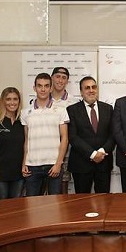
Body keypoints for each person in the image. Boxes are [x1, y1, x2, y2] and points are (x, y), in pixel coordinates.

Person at [21, 73, 69, 196]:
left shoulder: (61, 111)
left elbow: (64, 138)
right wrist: (24, 163)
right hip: (32, 166)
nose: (43, 89)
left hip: (53, 165)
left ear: (51, 88)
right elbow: (27, 140)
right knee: (32, 206)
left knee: (55, 206)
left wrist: (58, 163)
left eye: (46, 86)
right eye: (39, 86)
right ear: (34, 88)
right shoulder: (25, 112)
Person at [67, 77, 115, 193]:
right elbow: (73, 137)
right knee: (82, 203)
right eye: (87, 88)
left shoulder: (108, 108)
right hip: (81, 164)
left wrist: (102, 151)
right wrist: (93, 154)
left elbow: (113, 134)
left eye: (94, 87)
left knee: (104, 202)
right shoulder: (71, 110)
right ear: (81, 92)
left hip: (103, 163)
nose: (91, 90)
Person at [0, 87, 25, 200]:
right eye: (8, 99)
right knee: (1, 209)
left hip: (18, 175)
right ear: (2, 101)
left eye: (15, 99)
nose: (12, 102)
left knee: (16, 207)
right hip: (0, 175)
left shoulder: (22, 122)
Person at [50, 66, 75, 194]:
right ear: (52, 78)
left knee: (63, 188)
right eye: (57, 77)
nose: (60, 80)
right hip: (45, 152)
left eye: (64, 78)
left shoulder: (73, 102)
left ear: (67, 81)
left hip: (65, 152)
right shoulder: (41, 99)